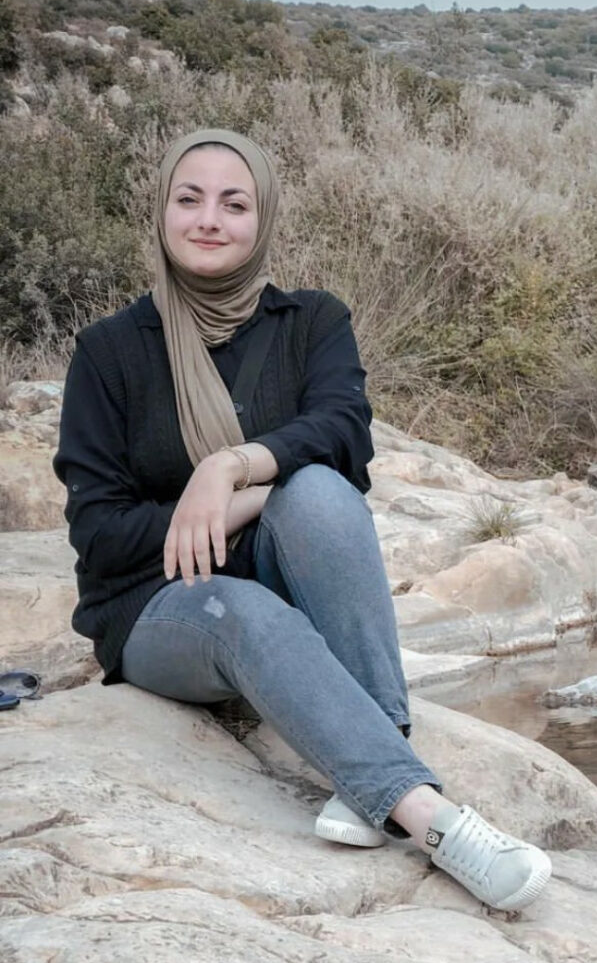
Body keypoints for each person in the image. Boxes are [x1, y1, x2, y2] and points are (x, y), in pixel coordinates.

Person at [52, 129, 552, 912]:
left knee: (318, 491)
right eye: (189, 199)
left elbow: (345, 434)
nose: (209, 219)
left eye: (233, 202)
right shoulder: (109, 351)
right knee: (239, 602)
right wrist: (204, 522)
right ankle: (430, 819)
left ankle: (367, 752)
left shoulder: (312, 320)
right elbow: (99, 534)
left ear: (264, 219)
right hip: (156, 608)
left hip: (285, 576)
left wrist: (229, 472)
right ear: (160, 213)